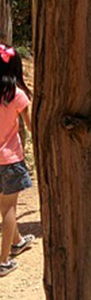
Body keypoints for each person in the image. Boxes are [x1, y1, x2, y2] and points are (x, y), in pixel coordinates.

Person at [0, 45, 35, 277]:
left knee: (3, 206)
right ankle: (3, 260)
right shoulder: (17, 95)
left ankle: (19, 241)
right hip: (10, 159)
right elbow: (32, 126)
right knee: (9, 208)